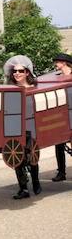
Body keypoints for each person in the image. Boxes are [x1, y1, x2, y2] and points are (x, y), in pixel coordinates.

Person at [5, 55, 41, 199]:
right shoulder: (10, 90)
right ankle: (23, 188)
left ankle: (36, 182)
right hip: (15, 127)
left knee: (32, 156)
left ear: (27, 72)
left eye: (20, 71)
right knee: (16, 157)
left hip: (31, 127)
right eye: (15, 71)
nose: (17, 74)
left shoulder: (34, 89)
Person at [50, 52, 72, 181]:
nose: (55, 64)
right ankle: (61, 172)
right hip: (62, 114)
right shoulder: (57, 77)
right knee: (58, 144)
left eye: (57, 62)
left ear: (63, 63)